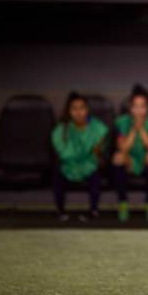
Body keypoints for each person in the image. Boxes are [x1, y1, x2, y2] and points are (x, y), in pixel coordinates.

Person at [111, 85, 148, 222]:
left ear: (147, 108)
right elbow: (123, 149)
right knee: (118, 157)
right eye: (135, 106)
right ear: (130, 108)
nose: (138, 110)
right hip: (130, 160)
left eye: (142, 106)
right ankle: (123, 203)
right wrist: (133, 129)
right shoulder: (122, 122)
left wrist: (141, 128)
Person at [51, 91, 109, 222]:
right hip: (69, 166)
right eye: (74, 109)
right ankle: (60, 211)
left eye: (82, 108)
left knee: (96, 175)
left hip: (89, 165)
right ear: (69, 111)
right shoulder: (61, 129)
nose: (78, 112)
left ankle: (93, 210)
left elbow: (99, 152)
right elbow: (64, 154)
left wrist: (95, 152)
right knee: (57, 175)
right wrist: (88, 151)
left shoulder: (98, 128)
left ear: (87, 109)